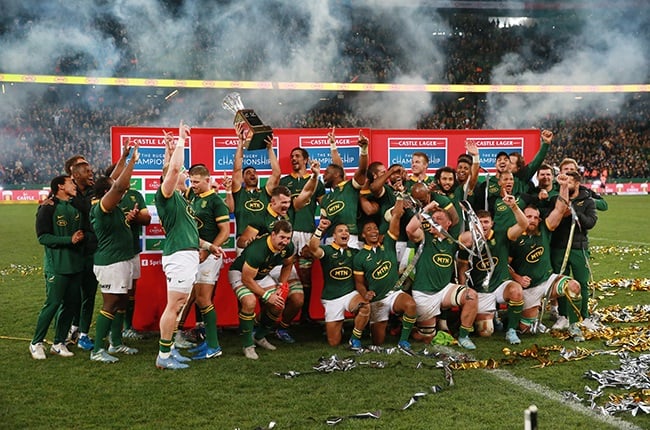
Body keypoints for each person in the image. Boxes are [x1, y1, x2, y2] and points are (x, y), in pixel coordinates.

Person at [154, 121, 222, 369]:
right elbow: (170, 173)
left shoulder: (182, 200)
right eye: (183, 171)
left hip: (188, 253)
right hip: (179, 256)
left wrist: (208, 245)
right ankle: (163, 356)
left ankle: (169, 350)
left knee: (180, 305)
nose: (184, 173)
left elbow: (190, 233)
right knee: (175, 305)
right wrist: (182, 141)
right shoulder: (167, 196)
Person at [508, 173, 585, 341]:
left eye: (535, 217)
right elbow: (504, 265)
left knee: (573, 286)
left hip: (547, 280)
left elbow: (560, 208)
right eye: (528, 216)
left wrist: (564, 186)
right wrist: (517, 277)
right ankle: (516, 319)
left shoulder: (544, 228)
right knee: (526, 330)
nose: (533, 220)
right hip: (529, 288)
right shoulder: (514, 235)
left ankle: (573, 326)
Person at [88, 142, 140, 363]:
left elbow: (115, 180)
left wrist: (124, 158)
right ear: (105, 193)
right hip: (111, 262)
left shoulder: (112, 207)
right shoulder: (101, 207)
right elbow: (118, 186)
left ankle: (116, 343)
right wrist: (133, 162)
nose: (121, 188)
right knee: (110, 303)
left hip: (122, 259)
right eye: (112, 187)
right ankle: (97, 349)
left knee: (120, 302)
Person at [406, 206, 478, 349]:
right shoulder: (424, 237)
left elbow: (470, 238)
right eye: (432, 219)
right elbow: (409, 229)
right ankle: (413, 329)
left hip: (444, 290)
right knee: (426, 338)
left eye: (439, 219)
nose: (434, 221)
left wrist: (475, 223)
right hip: (424, 293)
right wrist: (425, 209)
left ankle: (464, 336)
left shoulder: (452, 241)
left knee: (471, 296)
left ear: (448, 224)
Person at [457, 203, 528, 345]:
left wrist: (514, 206)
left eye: (486, 222)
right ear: (473, 223)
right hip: (481, 289)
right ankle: (494, 317)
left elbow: (523, 225)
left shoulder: (502, 234)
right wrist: (463, 288)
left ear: (492, 223)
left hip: (501, 285)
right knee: (485, 332)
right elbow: (462, 267)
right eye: (479, 222)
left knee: (516, 291)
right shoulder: (468, 242)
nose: (483, 225)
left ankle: (511, 330)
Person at [30, 175, 84, 359]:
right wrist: (69, 240)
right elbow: (43, 237)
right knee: (52, 304)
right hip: (57, 266)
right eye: (70, 182)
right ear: (60, 186)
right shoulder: (47, 208)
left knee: (70, 305)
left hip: (75, 265)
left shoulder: (76, 206)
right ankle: (36, 343)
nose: (74, 185)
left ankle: (59, 343)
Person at [353, 196, 417, 351]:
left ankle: (403, 341)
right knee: (378, 342)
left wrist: (400, 196)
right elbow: (359, 283)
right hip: (378, 300)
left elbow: (396, 217)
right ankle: (364, 333)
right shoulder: (359, 257)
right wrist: (365, 293)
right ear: (363, 235)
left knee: (411, 305)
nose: (373, 231)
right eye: (369, 230)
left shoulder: (387, 243)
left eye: (375, 228)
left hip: (394, 294)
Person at [183, 163, 231, 359]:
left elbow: (225, 232)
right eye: (191, 181)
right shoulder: (191, 195)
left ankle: (214, 346)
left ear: (207, 181)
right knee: (198, 298)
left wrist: (210, 251)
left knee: (203, 299)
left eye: (196, 182)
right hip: (195, 253)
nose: (193, 185)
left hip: (210, 255)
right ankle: (208, 343)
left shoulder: (216, 202)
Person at [228, 220, 296, 360]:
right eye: (282, 237)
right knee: (250, 302)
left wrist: (281, 285)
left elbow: (288, 264)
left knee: (278, 303)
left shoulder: (288, 247)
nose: (285, 241)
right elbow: (247, 279)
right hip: (240, 273)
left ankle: (259, 336)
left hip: (261, 275)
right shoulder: (258, 250)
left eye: (288, 238)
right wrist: (266, 295)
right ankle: (248, 346)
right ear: (273, 234)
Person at [106, 145, 151, 341]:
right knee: (114, 295)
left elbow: (147, 219)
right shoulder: (106, 199)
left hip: (132, 250)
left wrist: (134, 218)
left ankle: (127, 328)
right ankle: (111, 332)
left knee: (130, 293)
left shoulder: (135, 195)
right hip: (114, 254)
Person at [280, 147, 326, 323]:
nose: (294, 159)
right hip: (289, 234)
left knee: (306, 275)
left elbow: (325, 211)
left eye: (298, 156)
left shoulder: (317, 182)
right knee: (286, 272)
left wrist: (317, 235)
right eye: (292, 156)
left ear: (306, 160)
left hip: (307, 233)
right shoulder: (285, 181)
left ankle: (305, 315)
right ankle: (284, 314)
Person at [308, 218, 369, 349]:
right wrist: (320, 229)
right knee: (334, 342)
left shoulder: (355, 253)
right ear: (334, 236)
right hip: (331, 298)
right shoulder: (327, 250)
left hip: (350, 294)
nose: (344, 233)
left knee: (364, 307)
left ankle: (355, 339)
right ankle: (338, 328)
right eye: (340, 231)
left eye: (347, 231)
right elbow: (313, 248)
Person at [550, 171, 598, 331]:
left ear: (577, 183)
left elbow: (591, 222)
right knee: (561, 282)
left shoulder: (588, 201)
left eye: (569, 182)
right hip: (558, 248)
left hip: (579, 248)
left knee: (582, 283)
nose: (565, 185)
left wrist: (575, 213)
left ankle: (584, 317)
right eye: (563, 182)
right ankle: (563, 316)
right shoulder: (557, 199)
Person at [225, 123, 280, 255]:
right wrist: (240, 142)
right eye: (248, 172)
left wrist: (270, 149)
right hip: (244, 240)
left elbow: (276, 173)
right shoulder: (238, 192)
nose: (252, 174)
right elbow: (237, 168)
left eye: (254, 172)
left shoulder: (265, 192)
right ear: (242, 179)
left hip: (266, 239)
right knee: (246, 275)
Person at [67, 157, 97, 351]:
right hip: (73, 252)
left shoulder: (95, 192)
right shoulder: (66, 193)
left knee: (89, 294)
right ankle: (73, 329)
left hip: (93, 250)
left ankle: (84, 334)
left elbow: (88, 209)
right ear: (76, 175)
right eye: (87, 172)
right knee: (72, 296)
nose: (91, 174)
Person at [320, 128, 369, 248]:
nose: (323, 175)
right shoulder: (325, 199)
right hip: (330, 240)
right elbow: (322, 226)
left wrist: (364, 150)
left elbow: (362, 170)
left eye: (326, 173)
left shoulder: (350, 187)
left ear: (337, 174)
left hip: (350, 238)